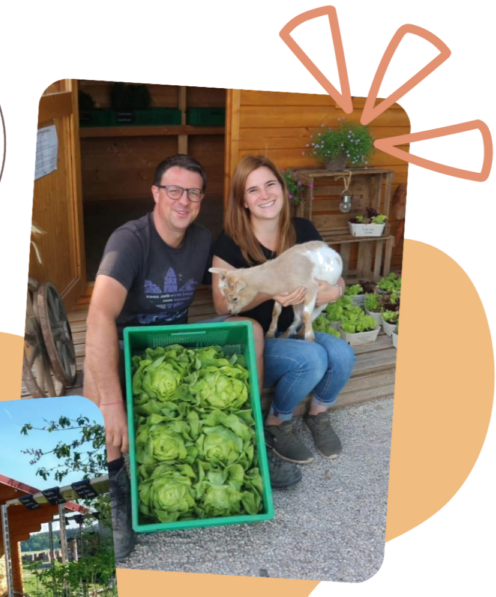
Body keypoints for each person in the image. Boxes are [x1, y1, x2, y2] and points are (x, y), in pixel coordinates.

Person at [82, 154, 302, 562]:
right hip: (129, 346)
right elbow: (98, 315)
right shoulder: (128, 240)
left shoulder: (202, 240)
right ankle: (114, 485)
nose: (184, 200)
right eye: (174, 190)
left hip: (176, 343)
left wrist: (280, 284)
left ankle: (252, 442)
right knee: (95, 381)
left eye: (194, 193)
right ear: (156, 193)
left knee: (251, 330)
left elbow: (234, 286)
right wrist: (113, 403)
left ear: (201, 198)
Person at [211, 155, 356, 465]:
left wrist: (336, 289)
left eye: (270, 185)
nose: (264, 195)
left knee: (343, 354)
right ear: (243, 201)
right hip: (258, 340)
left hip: (294, 329)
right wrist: (266, 290)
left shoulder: (302, 230)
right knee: (313, 357)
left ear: (282, 190)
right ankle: (276, 421)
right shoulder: (229, 244)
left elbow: (330, 269)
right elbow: (222, 305)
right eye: (253, 190)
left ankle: (318, 414)